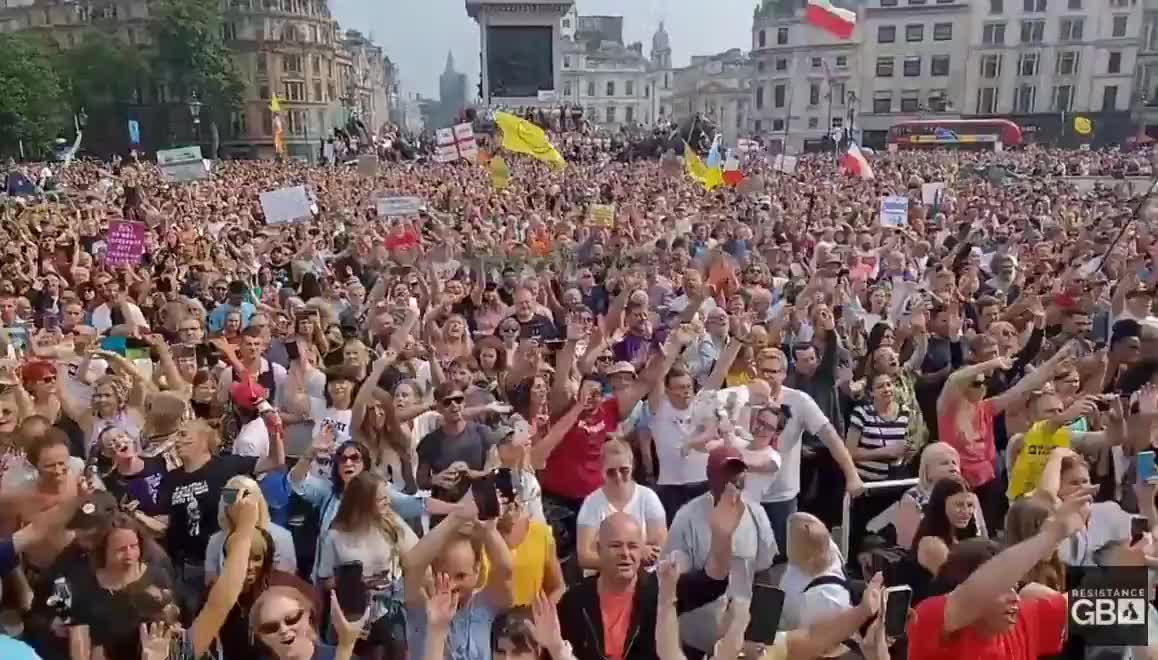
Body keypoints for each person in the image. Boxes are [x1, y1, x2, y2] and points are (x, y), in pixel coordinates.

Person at [557, 481, 743, 660]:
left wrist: (722, 537)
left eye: (632, 546)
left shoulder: (660, 590)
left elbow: (714, 581)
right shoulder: (574, 601)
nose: (625, 553)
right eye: (616, 546)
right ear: (599, 549)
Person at [905, 488, 1092, 659]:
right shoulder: (928, 619)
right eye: (1002, 588)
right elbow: (976, 590)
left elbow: (1094, 604)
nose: (1015, 597)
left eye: (1015, 586)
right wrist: (1050, 536)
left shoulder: (1024, 618)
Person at [575, 439, 666, 572]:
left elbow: (661, 547)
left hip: (644, 576)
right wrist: (633, 557)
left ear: (632, 465)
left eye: (624, 470)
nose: (618, 476)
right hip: (602, 577)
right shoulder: (592, 503)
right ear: (601, 471)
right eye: (611, 472)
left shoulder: (648, 497)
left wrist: (615, 558)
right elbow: (584, 556)